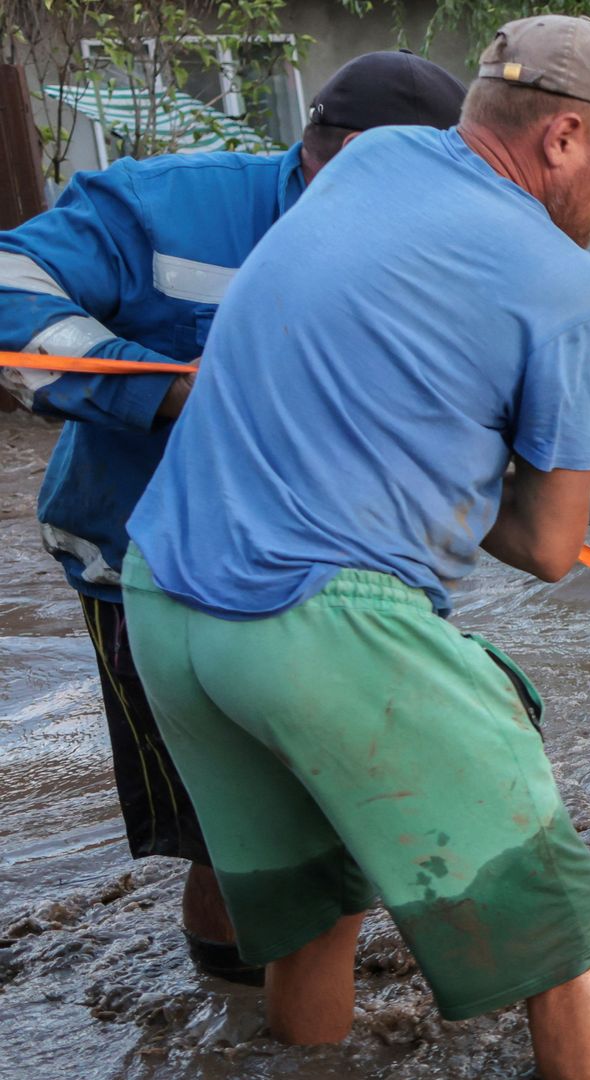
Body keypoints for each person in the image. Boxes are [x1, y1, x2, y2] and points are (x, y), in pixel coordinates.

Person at [119, 15, 590, 1077]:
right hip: (320, 626)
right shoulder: (568, 285)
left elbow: (396, 380)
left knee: (316, 914)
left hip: (164, 601)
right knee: (563, 932)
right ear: (565, 137)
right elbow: (541, 544)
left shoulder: (373, 158)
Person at [0, 50, 473, 984]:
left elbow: (535, 411)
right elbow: (9, 284)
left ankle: (293, 994)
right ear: (328, 161)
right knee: (224, 832)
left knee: (348, 804)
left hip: (333, 575)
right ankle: (237, 1019)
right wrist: (171, 391)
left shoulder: (439, 244)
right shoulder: (168, 207)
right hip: (142, 566)